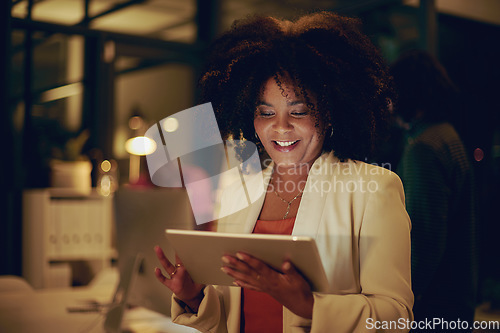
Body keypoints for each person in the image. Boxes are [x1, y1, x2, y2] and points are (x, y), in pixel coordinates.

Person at [154, 12, 413, 332]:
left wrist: (307, 304)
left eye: (299, 111)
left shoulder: (374, 189)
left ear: (329, 113)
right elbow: (231, 315)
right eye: (265, 112)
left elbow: (396, 317)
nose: (280, 127)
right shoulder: (238, 189)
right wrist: (195, 298)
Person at [390, 50, 477, 331]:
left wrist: (396, 307)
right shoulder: (447, 134)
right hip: (455, 301)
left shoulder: (424, 148)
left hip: (431, 309)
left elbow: (422, 241)